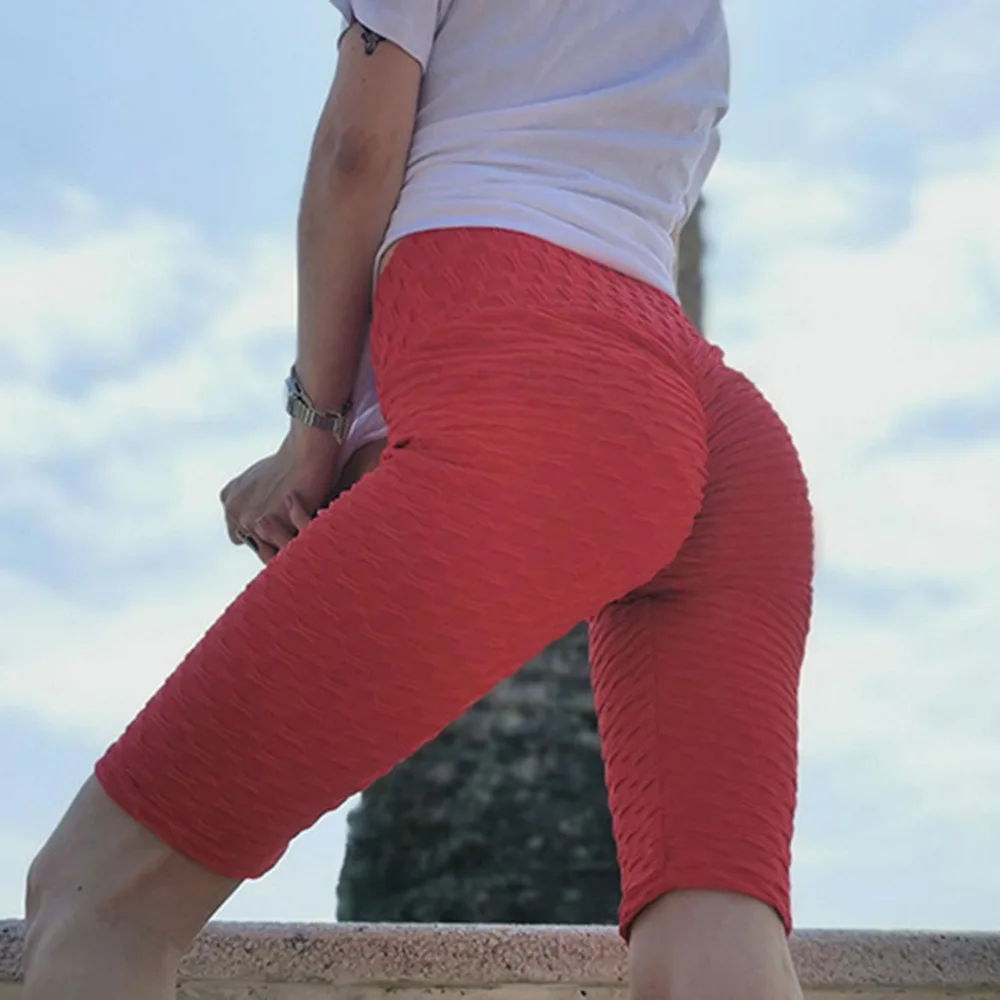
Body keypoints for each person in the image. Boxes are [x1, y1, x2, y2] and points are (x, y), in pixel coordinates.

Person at [21, 1, 814, 998]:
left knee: (94, 899)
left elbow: (356, 151)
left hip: (546, 383)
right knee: (717, 953)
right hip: (724, 440)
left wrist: (311, 429)